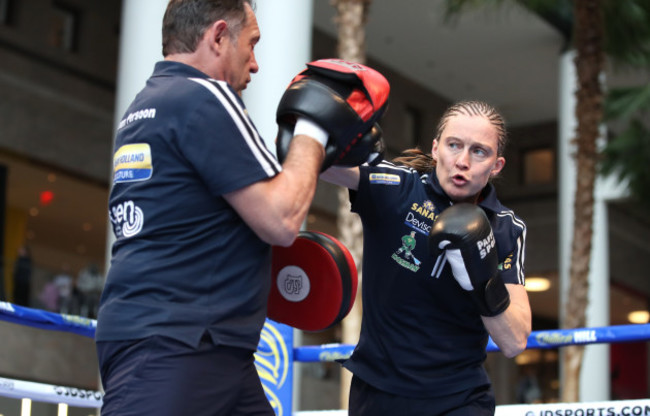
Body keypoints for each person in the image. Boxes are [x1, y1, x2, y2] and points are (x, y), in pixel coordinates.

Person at [94, 1, 385, 415]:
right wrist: (312, 129)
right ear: (217, 37)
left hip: (204, 346)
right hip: (180, 344)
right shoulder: (204, 95)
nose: (255, 64)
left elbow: (194, 226)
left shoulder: (146, 105)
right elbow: (281, 219)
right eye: (251, 45)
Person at [321, 100, 532, 415]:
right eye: (453, 145)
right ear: (435, 149)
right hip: (379, 394)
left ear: (496, 165)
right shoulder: (399, 188)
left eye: (479, 151)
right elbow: (315, 163)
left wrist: (481, 280)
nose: (462, 161)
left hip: (459, 398)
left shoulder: (504, 228)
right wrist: (326, 123)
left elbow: (514, 341)